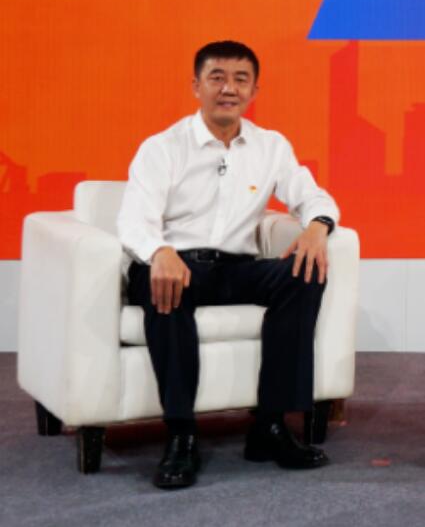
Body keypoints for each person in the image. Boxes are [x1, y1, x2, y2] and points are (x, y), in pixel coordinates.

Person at [117, 40, 340, 489]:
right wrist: (159, 252)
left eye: (241, 79)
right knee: (167, 286)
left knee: (303, 274)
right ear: (196, 86)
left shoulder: (270, 146)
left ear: (254, 91)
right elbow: (134, 219)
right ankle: (181, 435)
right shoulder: (163, 147)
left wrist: (318, 226)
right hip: (173, 262)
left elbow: (311, 195)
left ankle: (270, 426)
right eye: (216, 77)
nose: (228, 88)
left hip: (236, 268)